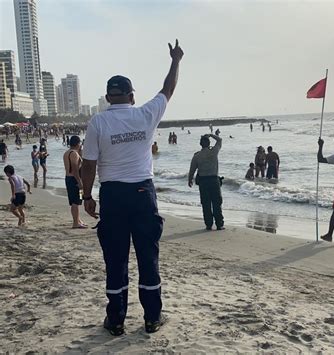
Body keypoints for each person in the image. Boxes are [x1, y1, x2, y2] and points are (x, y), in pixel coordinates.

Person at [81, 39, 183, 336]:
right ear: (131, 95)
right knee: (147, 257)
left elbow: (88, 164)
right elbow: (168, 89)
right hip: (142, 193)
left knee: (115, 260)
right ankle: (152, 318)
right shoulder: (144, 114)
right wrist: (175, 60)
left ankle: (115, 320)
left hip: (112, 195)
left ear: (108, 97)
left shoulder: (98, 122)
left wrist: (87, 196)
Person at [188, 134, 224, 231]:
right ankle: (219, 224)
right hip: (214, 180)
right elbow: (219, 140)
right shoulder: (214, 152)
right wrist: (211, 135)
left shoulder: (197, 156)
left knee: (206, 204)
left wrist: (190, 179)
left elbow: (192, 169)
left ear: (200, 144)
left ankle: (208, 224)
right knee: (217, 203)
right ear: (209, 143)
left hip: (203, 182)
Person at [63, 135, 86, 229]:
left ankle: (78, 220)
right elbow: (75, 170)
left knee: (77, 200)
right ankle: (75, 222)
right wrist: (79, 182)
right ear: (78, 143)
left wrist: (80, 152)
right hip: (74, 179)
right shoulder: (74, 154)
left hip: (69, 178)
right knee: (76, 201)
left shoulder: (67, 153)